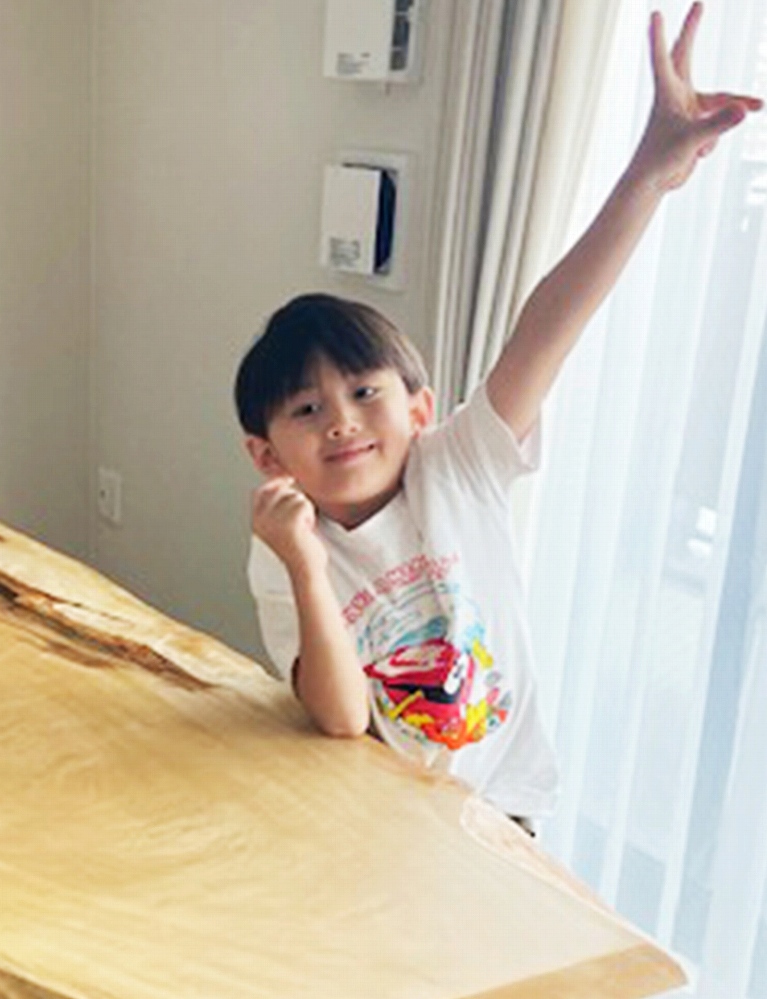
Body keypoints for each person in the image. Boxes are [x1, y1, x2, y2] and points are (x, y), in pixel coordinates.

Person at [233, 3, 761, 827]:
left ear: (419, 407)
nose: (339, 420)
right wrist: (303, 564)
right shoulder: (286, 548)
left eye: (364, 392)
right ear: (267, 456)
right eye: (306, 408)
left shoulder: (458, 464)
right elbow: (338, 718)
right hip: (387, 818)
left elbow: (547, 325)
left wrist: (647, 174)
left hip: (504, 805)